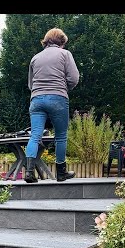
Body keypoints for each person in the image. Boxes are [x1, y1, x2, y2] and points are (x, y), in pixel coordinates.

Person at [24, 28, 80, 183]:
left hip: (36, 100)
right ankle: (61, 173)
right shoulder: (65, 54)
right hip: (58, 99)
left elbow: (30, 84)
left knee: (35, 135)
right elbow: (74, 78)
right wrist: (63, 88)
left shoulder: (35, 58)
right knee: (61, 136)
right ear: (61, 42)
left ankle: (29, 172)